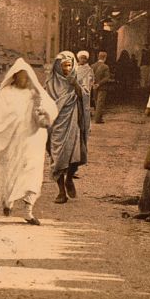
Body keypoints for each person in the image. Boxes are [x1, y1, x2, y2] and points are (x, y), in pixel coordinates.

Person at [0, 58, 57, 225]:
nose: (23, 79)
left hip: (32, 141)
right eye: (20, 76)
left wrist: (42, 111)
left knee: (31, 174)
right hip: (13, 141)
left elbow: (49, 111)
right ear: (14, 77)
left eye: (26, 76)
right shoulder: (6, 94)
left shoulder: (34, 93)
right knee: (11, 173)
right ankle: (8, 202)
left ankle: (28, 211)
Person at [45, 50, 90, 204]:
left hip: (73, 122)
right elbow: (46, 104)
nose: (66, 69)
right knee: (57, 158)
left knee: (75, 156)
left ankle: (69, 178)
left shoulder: (77, 78)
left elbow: (84, 95)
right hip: (56, 125)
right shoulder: (50, 83)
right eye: (63, 66)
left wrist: (74, 83)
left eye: (69, 65)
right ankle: (61, 191)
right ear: (57, 66)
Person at [90, 51, 113, 124]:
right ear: (105, 58)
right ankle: (98, 119)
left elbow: (90, 76)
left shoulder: (92, 66)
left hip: (94, 87)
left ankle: (98, 117)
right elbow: (106, 78)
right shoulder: (105, 67)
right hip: (102, 87)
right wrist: (99, 84)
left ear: (98, 57)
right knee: (100, 103)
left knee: (96, 101)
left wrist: (93, 84)